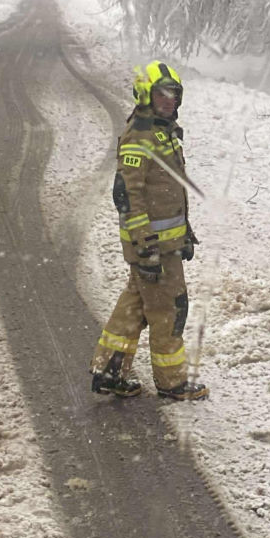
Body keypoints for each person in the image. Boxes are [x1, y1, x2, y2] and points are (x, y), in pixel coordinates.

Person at [89, 61, 208, 401]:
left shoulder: (161, 131)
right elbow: (129, 195)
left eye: (174, 94)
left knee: (135, 305)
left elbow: (168, 191)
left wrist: (184, 233)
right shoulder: (140, 136)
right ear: (145, 95)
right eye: (162, 94)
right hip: (152, 247)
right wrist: (146, 247)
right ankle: (172, 382)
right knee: (169, 309)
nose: (169, 100)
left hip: (163, 245)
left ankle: (109, 371)